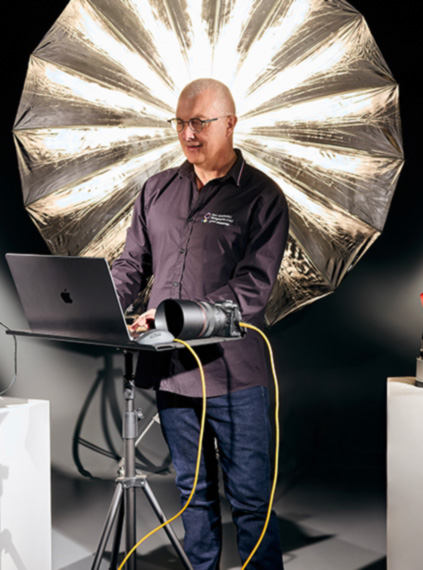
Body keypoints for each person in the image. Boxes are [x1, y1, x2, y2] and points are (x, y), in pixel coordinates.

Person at [111, 78, 290, 569]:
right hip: (172, 371)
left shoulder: (262, 197)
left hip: (235, 375)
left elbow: (253, 288)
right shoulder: (156, 189)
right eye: (181, 122)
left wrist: (169, 317)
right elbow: (132, 264)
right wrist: (104, 305)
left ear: (230, 124)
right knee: (193, 495)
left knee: (251, 498)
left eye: (200, 122)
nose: (188, 133)